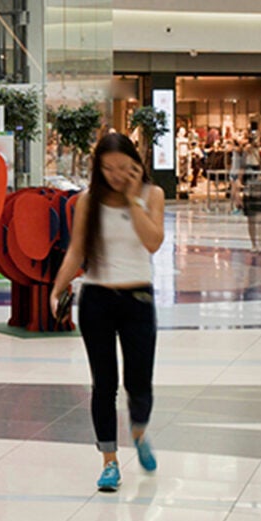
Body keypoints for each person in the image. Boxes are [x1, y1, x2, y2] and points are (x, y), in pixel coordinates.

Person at [50, 131, 166, 492]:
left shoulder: (152, 195)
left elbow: (154, 242)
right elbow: (77, 250)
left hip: (138, 300)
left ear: (137, 163)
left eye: (123, 167)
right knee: (104, 384)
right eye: (108, 169)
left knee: (139, 383)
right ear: (98, 169)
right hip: (98, 299)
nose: (116, 175)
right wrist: (57, 288)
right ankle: (109, 461)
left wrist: (134, 201)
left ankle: (139, 430)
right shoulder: (89, 200)